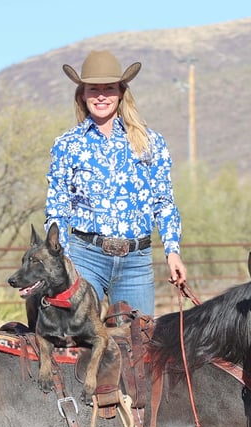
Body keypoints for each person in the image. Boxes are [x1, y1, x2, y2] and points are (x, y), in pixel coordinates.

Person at [45, 50, 187, 317]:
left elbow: (164, 203)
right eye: (93, 89)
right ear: (82, 94)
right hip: (85, 258)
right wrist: (59, 258)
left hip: (136, 261)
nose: (101, 95)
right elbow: (57, 206)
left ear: (121, 92)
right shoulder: (67, 144)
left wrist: (172, 252)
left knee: (139, 346)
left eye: (108, 88)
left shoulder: (151, 142)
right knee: (73, 340)